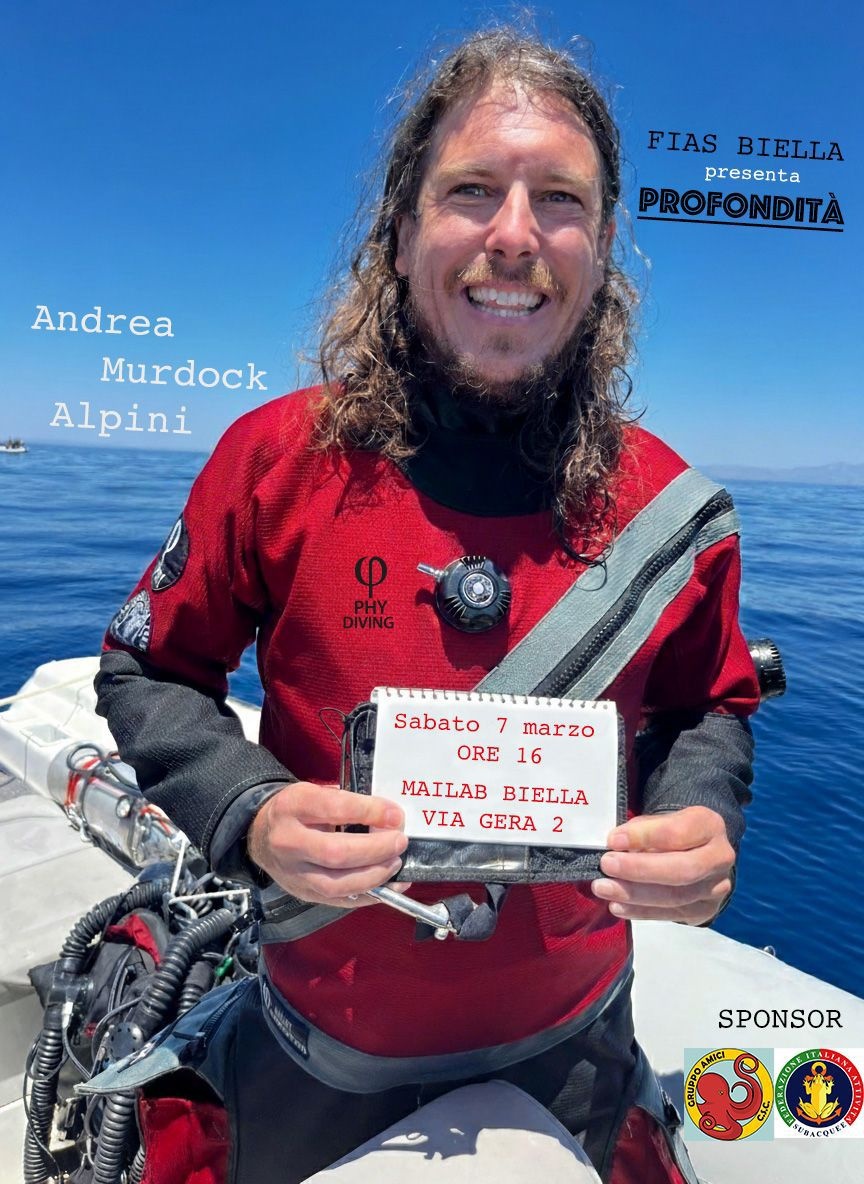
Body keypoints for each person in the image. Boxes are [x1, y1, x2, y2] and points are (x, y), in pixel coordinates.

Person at [94, 27, 759, 1184]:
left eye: (561, 199)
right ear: (401, 237)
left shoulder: (678, 512)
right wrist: (250, 808)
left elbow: (711, 704)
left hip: (578, 1048)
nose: (516, 234)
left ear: (603, 249)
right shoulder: (273, 462)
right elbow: (147, 668)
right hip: (313, 1051)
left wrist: (701, 816)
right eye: (471, 190)